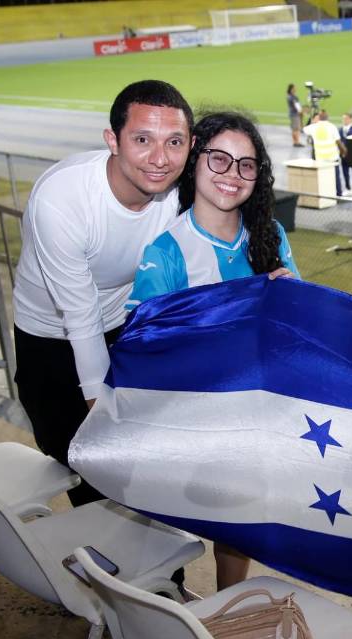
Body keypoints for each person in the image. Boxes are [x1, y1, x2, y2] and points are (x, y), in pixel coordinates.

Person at [126, 111, 297, 590]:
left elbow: (300, 334)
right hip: (198, 421)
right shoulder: (165, 253)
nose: (232, 174)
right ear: (195, 159)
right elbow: (147, 354)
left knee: (240, 523)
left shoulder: (272, 238)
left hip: (261, 413)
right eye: (220, 159)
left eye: (246, 165)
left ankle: (229, 602)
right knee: (223, 514)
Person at [12, 79, 193, 508]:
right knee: (93, 471)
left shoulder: (181, 190)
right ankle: (103, 568)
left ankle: (166, 578)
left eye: (175, 142)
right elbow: (81, 319)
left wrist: (271, 272)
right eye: (142, 140)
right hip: (52, 338)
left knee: (145, 473)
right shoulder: (63, 199)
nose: (159, 159)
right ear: (113, 140)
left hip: (126, 327)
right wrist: (105, 420)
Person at [303, 110, 347, 196]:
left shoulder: (313, 127)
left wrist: (311, 120)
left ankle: (325, 195)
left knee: (323, 179)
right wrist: (343, 152)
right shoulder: (332, 127)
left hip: (320, 159)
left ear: (318, 118)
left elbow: (304, 129)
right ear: (328, 118)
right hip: (333, 158)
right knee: (336, 178)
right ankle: (338, 195)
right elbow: (339, 143)